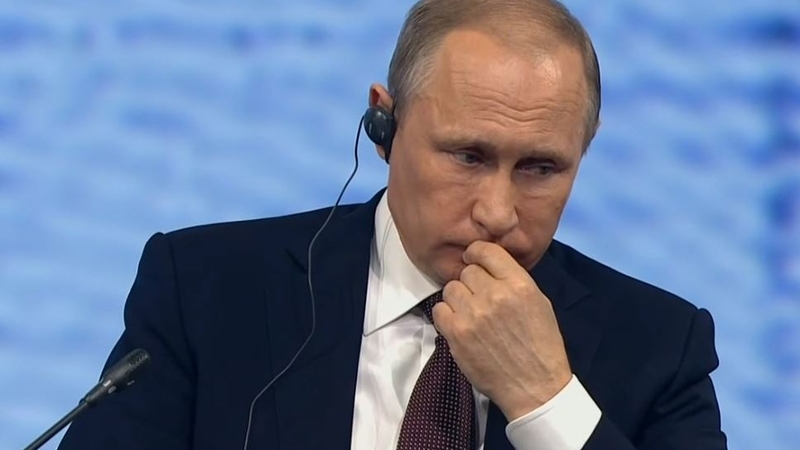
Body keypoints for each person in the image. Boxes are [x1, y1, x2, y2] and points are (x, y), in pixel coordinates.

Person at [57, 0, 728, 449]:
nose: (497, 212)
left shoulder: (660, 345)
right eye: (468, 156)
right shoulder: (207, 289)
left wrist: (545, 400)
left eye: (541, 167)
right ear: (385, 124)